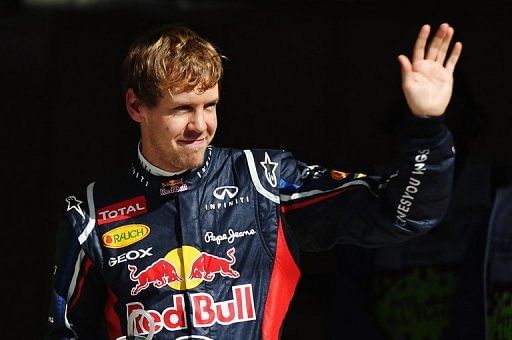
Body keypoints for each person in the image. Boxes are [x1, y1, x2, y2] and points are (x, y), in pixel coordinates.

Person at [45, 22, 462, 340]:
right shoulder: (92, 214)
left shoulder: (264, 183)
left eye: (210, 106)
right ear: (136, 105)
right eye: (182, 109)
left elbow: (400, 213)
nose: (200, 126)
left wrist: (427, 128)